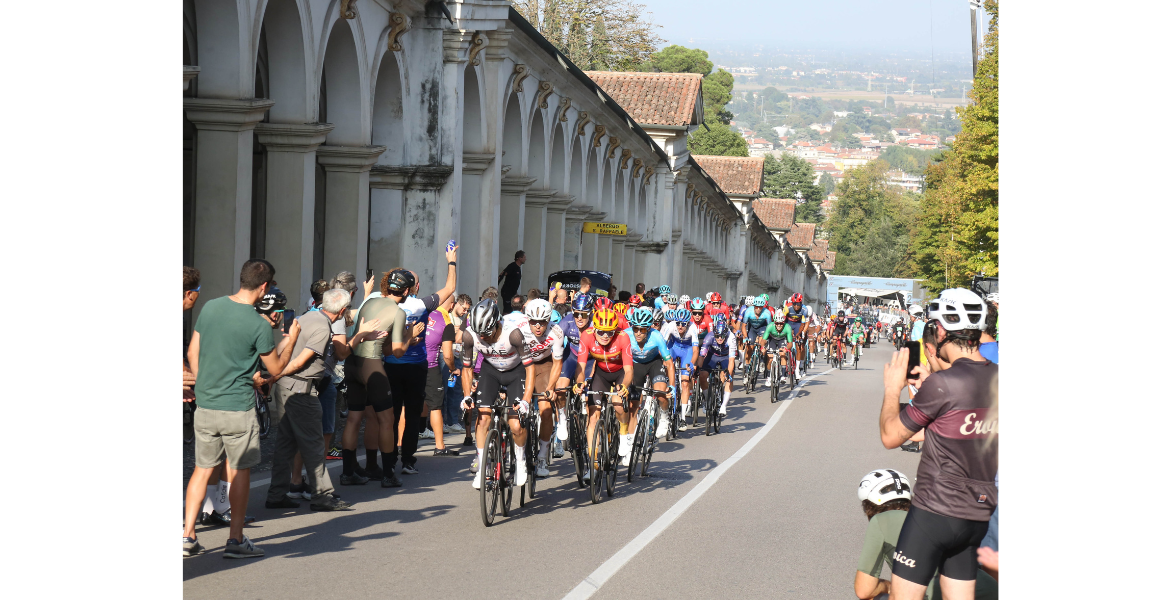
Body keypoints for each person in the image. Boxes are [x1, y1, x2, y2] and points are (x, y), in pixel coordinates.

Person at [878, 289, 998, 600]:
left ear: (942, 330)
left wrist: (893, 388)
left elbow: (891, 436)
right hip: (977, 513)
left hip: (935, 510)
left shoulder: (943, 385)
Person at [183, 260, 299, 558]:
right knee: (239, 470)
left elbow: (193, 351)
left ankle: (187, 535)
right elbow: (275, 369)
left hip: (207, 403)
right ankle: (235, 540)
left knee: (201, 469)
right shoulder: (258, 324)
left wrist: (203, 383)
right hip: (238, 407)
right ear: (264, 287)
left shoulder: (210, 307)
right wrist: (291, 340)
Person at [263, 289, 369, 513]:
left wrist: (276, 375)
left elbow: (283, 345)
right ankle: (322, 496)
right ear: (341, 310)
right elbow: (301, 361)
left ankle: (277, 493)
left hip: (288, 386)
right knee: (314, 443)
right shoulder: (322, 327)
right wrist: (275, 375)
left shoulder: (306, 316)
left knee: (286, 443)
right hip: (301, 387)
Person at [382, 245, 459, 476]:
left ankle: (389, 459)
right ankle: (407, 460)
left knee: (392, 414)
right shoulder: (420, 304)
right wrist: (451, 261)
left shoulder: (384, 302)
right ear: (413, 288)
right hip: (416, 366)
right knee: (414, 413)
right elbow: (450, 288)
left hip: (390, 364)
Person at [461, 299, 535, 489]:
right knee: (483, 417)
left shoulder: (513, 334)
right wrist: (467, 395)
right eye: (479, 334)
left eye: (486, 333)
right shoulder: (470, 336)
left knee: (515, 424)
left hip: (515, 372)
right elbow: (467, 369)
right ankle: (482, 466)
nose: (482, 337)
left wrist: (526, 401)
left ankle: (519, 461)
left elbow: (530, 368)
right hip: (490, 371)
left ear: (497, 323)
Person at [573, 307, 633, 481]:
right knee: (593, 417)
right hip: (600, 374)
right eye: (601, 332)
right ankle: (594, 463)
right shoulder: (587, 335)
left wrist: (624, 386)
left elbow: (629, 370)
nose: (605, 336)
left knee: (618, 404)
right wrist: (579, 382)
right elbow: (581, 366)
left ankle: (623, 433)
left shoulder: (623, 337)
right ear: (594, 328)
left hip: (620, 372)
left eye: (610, 332)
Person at [517, 299, 565, 477]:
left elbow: (557, 364)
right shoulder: (518, 328)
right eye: (533, 322)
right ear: (527, 319)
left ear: (549, 320)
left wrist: (551, 388)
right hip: (520, 365)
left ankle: (543, 456)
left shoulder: (557, 332)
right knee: (512, 406)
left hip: (544, 365)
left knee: (545, 409)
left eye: (543, 322)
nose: (538, 326)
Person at [624, 308, 675, 444]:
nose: (638, 333)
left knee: (661, 393)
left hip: (654, 363)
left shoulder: (656, 336)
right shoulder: (625, 335)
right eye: (636, 329)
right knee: (633, 405)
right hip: (636, 365)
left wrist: (672, 386)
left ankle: (664, 416)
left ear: (649, 329)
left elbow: (669, 363)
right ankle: (631, 444)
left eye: (643, 330)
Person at [424, 293, 461, 457]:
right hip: (431, 366)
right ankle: (439, 446)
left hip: (413, 363)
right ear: (452, 305)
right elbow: (447, 355)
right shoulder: (447, 322)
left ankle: (399, 444)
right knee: (435, 406)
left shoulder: (425, 312)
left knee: (408, 404)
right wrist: (453, 369)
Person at [662, 309, 699, 429]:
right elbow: (662, 344)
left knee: (684, 382)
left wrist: (692, 363)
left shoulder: (693, 328)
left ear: (688, 323)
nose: (680, 326)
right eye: (678, 323)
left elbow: (695, 350)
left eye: (683, 324)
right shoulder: (671, 326)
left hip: (687, 350)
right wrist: (664, 359)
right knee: (666, 367)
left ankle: (683, 418)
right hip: (674, 347)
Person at [695, 320, 737, 416]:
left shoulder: (731, 338)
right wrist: (698, 369)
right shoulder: (709, 336)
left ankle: (723, 406)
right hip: (712, 355)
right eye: (717, 336)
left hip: (726, 356)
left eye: (722, 336)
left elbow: (731, 360)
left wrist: (729, 374)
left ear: (726, 334)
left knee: (729, 378)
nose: (719, 338)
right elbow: (702, 356)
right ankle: (707, 399)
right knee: (702, 375)